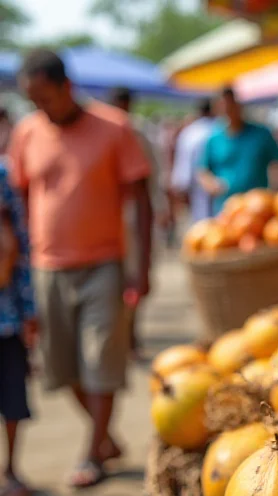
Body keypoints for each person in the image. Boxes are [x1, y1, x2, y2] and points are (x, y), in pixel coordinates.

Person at [7, 49, 153, 488]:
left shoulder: (114, 128)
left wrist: (141, 268)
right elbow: (17, 202)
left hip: (103, 264)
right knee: (62, 367)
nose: (40, 108)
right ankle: (105, 437)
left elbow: (141, 201)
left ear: (67, 88)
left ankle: (92, 453)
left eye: (45, 98)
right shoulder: (27, 132)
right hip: (47, 267)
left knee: (100, 359)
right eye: (32, 101)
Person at [108, 87, 162, 359]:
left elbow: (149, 179)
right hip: (106, 220)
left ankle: (131, 335)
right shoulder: (104, 132)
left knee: (132, 277)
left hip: (131, 217)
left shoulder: (137, 133)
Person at [0, 160, 36, 496]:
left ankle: (10, 469)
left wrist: (29, 310)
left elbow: (19, 248)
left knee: (12, 397)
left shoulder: (2, 174)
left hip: (6, 318)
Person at [198, 87, 278, 214]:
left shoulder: (261, 134)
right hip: (226, 209)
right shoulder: (214, 139)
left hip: (258, 208)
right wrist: (212, 185)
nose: (229, 110)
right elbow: (203, 170)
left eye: (231, 104)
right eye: (224, 106)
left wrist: (277, 191)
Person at [171, 98, 216, 221]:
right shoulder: (220, 128)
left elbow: (183, 168)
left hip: (199, 189)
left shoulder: (190, 132)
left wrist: (181, 189)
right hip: (216, 186)